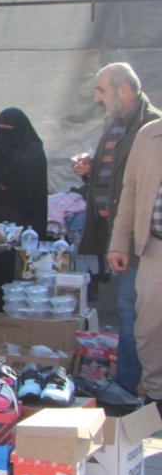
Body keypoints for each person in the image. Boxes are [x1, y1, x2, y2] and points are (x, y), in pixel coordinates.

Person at [74, 63, 160, 395]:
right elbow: (124, 185)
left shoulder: (149, 125)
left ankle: (130, 386)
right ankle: (134, 387)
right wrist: (89, 171)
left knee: (135, 314)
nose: (97, 98)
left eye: (101, 90)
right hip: (124, 236)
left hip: (146, 243)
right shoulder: (118, 126)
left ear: (123, 89)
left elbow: (135, 187)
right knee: (135, 315)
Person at [108, 116, 162, 409]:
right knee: (149, 327)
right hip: (155, 248)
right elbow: (129, 191)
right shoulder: (149, 135)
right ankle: (157, 396)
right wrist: (119, 242)